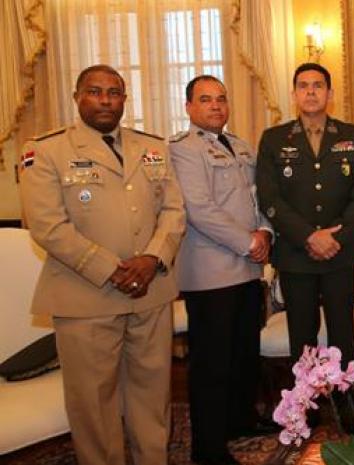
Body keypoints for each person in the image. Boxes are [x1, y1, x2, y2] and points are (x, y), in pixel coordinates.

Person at [19, 64, 185, 465]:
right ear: (77, 97)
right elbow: (47, 226)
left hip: (150, 293)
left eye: (115, 92)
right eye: (95, 92)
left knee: (152, 396)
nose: (106, 100)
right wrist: (112, 270)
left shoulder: (153, 148)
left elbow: (174, 210)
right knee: (93, 405)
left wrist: (151, 259)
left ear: (125, 99)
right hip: (86, 298)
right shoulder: (45, 151)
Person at [255, 63, 354, 424]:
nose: (311, 91)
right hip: (296, 254)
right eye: (303, 86)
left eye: (318, 85)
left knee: (343, 333)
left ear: (330, 94)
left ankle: (348, 407)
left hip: (341, 253)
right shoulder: (274, 139)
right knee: (302, 337)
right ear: (294, 95)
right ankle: (302, 409)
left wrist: (334, 238)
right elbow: (270, 198)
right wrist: (308, 236)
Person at [168, 75, 277, 464]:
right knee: (212, 365)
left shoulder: (243, 147)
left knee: (243, 356)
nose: (216, 106)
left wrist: (265, 230)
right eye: (206, 99)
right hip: (210, 272)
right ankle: (208, 446)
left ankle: (241, 421)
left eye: (221, 99)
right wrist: (250, 242)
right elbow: (199, 209)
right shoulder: (183, 150)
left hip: (248, 271)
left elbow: (260, 199)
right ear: (189, 107)